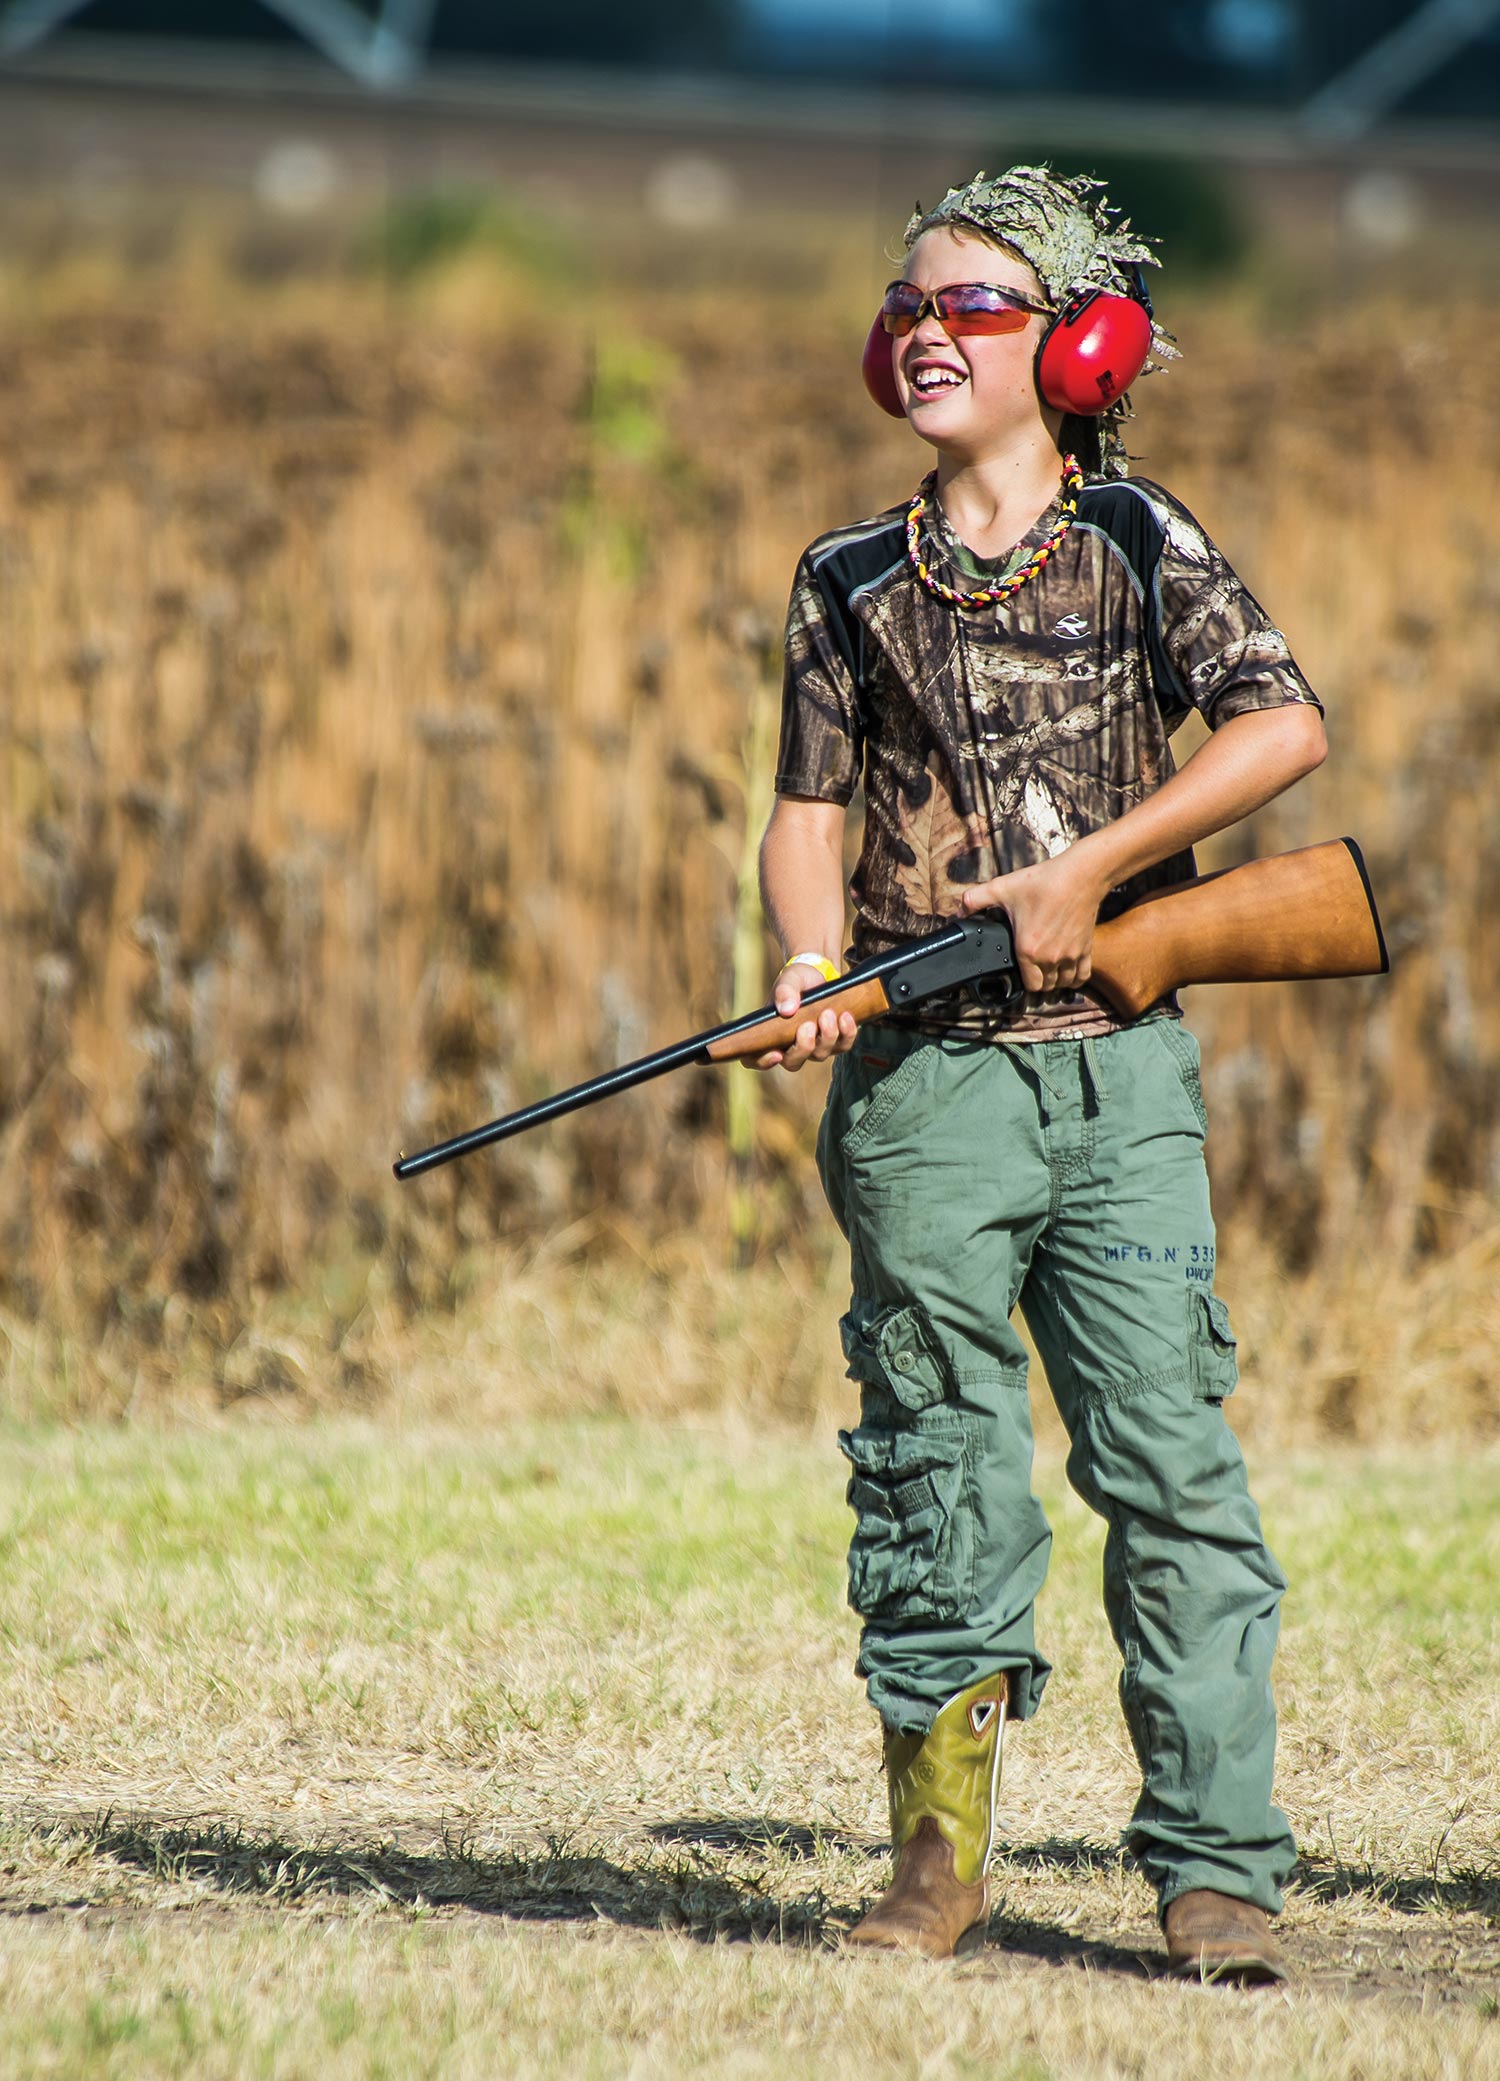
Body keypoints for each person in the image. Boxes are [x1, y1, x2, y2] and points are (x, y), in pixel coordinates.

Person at [755, 167, 1327, 1982]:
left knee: (1170, 1468)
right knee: (937, 1456)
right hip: (926, 1090)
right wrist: (807, 958)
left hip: (1124, 1089)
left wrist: (1097, 870)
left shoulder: (1146, 541)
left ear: (1076, 348)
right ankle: (936, 1859)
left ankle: (1218, 1868)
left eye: (979, 305)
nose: (931, 328)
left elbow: (1282, 726)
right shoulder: (845, 579)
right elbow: (807, 814)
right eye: (911, 301)